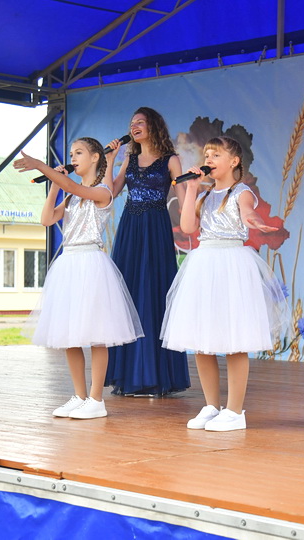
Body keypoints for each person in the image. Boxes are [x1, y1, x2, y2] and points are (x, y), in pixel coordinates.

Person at [161, 137, 289, 432]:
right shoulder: (205, 194)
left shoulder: (241, 192)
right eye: (206, 154)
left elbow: (247, 211)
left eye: (216, 154)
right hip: (204, 264)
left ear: (234, 161)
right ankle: (211, 405)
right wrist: (192, 189)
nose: (209, 159)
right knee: (201, 339)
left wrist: (253, 220)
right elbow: (188, 227)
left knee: (235, 339)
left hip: (232, 264)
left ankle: (234, 410)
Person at [13, 138, 143, 419]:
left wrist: (42, 166)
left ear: (95, 157)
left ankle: (96, 399)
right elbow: (47, 219)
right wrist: (54, 184)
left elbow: (76, 187)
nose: (73, 158)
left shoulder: (102, 192)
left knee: (97, 335)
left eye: (79, 153)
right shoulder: (71, 196)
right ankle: (79, 395)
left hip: (90, 264)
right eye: (71, 153)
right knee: (69, 335)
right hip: (69, 263)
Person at [106, 107, 190, 396]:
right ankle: (127, 374)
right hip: (130, 228)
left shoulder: (171, 160)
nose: (135, 126)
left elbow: (182, 198)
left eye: (140, 122)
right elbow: (111, 193)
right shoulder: (128, 159)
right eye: (132, 123)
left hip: (155, 228)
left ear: (154, 126)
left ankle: (156, 375)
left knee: (153, 293)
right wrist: (110, 161)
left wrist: (193, 192)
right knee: (128, 293)